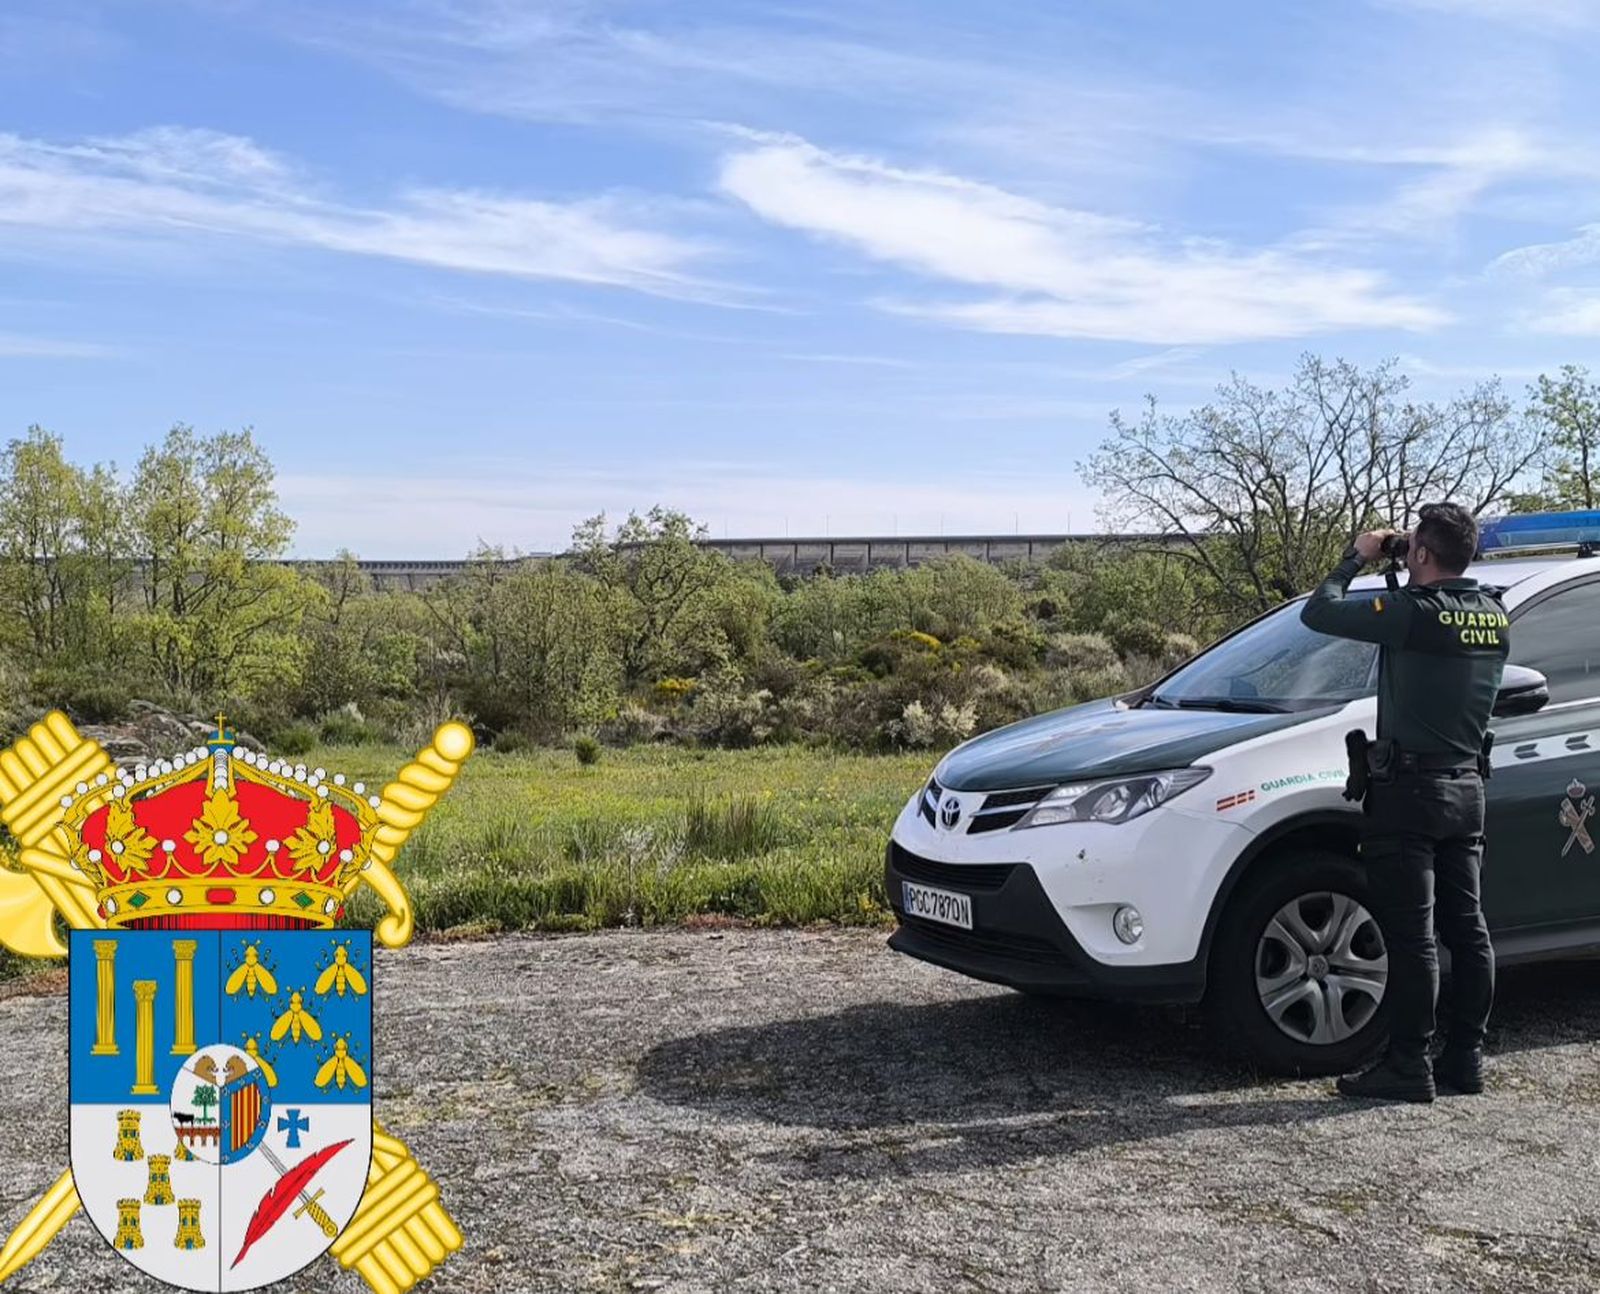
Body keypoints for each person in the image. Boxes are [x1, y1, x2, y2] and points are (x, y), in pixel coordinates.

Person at [1300, 502, 1508, 1103]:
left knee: (1414, 936)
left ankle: (1408, 1065)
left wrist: (1358, 557)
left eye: (1412, 544)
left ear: (1421, 554)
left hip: (1408, 793)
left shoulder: (1415, 615)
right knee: (1468, 931)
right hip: (1466, 789)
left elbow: (1320, 612)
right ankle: (1465, 1058)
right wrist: (1406, 558)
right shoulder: (1492, 615)